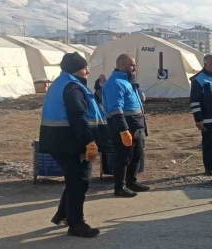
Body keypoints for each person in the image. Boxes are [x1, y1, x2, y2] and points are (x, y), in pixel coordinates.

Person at [40, 53, 109, 238]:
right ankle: (76, 223)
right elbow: (77, 116)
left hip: (57, 141)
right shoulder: (73, 87)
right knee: (79, 181)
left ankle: (62, 214)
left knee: (73, 179)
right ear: (77, 69)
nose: (88, 70)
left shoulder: (59, 83)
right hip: (70, 142)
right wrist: (89, 141)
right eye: (85, 67)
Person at [101, 54, 149, 197]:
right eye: (132, 65)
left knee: (137, 154)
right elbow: (116, 110)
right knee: (124, 157)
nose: (135, 68)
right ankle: (119, 187)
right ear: (122, 65)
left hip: (136, 125)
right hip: (125, 127)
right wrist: (123, 130)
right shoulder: (115, 83)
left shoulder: (127, 82)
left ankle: (131, 182)